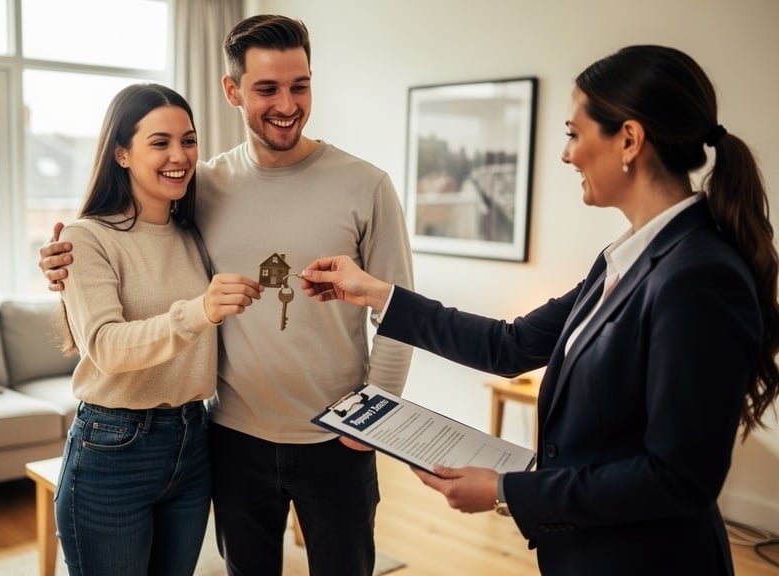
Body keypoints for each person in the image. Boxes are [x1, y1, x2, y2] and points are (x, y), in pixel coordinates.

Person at [298, 45, 779, 576]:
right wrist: (376, 293)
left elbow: (678, 478)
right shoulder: (625, 257)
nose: (566, 154)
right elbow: (511, 344)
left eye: (574, 133)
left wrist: (509, 490)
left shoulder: (697, 275)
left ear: (629, 139)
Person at [41, 15, 414, 576]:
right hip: (231, 439)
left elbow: (399, 313)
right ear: (233, 90)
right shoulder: (202, 185)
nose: (286, 104)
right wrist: (61, 260)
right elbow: (128, 239)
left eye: (300, 85)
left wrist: (373, 422)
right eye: (267, 88)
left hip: (338, 437)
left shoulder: (367, 186)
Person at [53, 83, 262, 576]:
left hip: (193, 442)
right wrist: (200, 311)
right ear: (121, 152)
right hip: (112, 448)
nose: (180, 156)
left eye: (189, 141)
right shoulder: (88, 238)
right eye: (160, 142)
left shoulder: (194, 231)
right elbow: (105, 346)